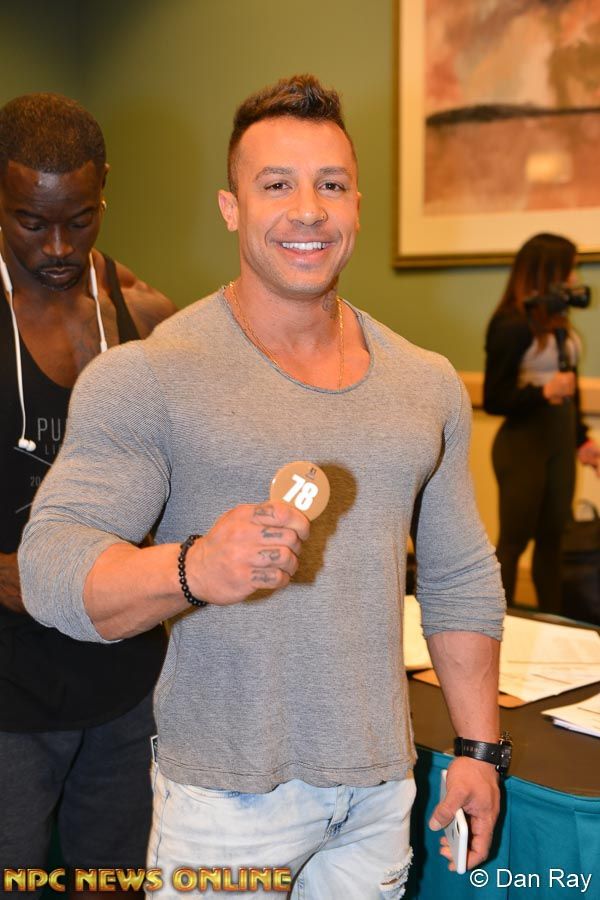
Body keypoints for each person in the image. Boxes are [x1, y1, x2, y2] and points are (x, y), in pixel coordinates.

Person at [20, 76, 505, 898]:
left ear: (357, 206)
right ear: (231, 207)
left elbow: (459, 578)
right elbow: (51, 569)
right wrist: (193, 568)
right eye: (276, 185)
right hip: (222, 804)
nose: (308, 211)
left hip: (379, 794)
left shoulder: (425, 384)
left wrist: (480, 749)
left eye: (331, 185)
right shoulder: (152, 376)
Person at [0, 93, 175, 881]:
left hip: (123, 679)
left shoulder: (144, 314)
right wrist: (22, 578)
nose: (58, 246)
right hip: (8, 688)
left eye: (80, 218)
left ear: (105, 187)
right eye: (30, 222)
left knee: (114, 880)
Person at [483, 233, 600, 615]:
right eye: (569, 269)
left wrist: (582, 440)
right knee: (514, 541)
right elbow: (495, 397)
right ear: (547, 271)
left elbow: (570, 388)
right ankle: (499, 624)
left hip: (559, 440)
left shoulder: (558, 320)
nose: (574, 277)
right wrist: (543, 392)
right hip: (524, 445)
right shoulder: (511, 324)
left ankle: (554, 622)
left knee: (554, 542)